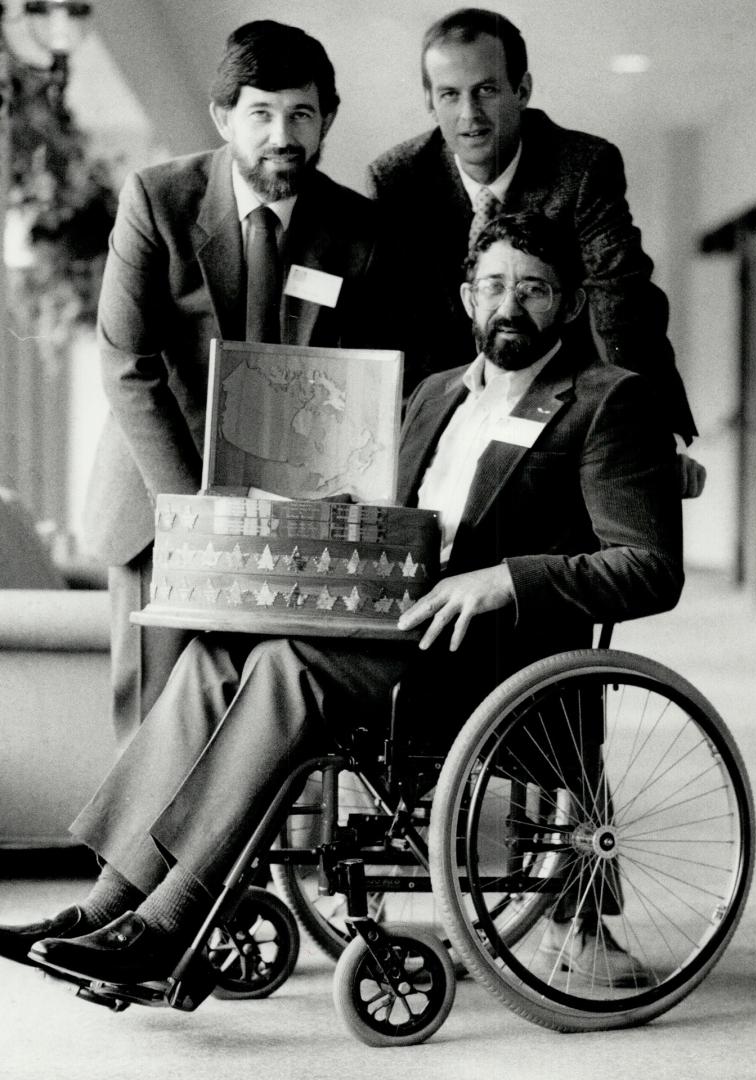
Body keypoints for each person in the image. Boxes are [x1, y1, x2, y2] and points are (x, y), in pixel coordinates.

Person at [0, 212, 683, 987]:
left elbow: (650, 566)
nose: (510, 305)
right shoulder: (434, 394)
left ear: (566, 304)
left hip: (491, 665)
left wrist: (506, 579)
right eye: (494, 285)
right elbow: (385, 515)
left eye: (533, 289)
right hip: (386, 631)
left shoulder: (608, 402)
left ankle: (171, 920)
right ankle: (108, 902)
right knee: (216, 654)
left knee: (288, 666)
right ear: (467, 297)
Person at [85, 20, 385, 749]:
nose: (282, 135)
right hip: (162, 508)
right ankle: (140, 866)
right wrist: (197, 514)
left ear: (326, 122)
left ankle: (241, 867)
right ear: (224, 118)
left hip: (290, 520)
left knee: (264, 729)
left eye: (302, 114)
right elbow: (128, 362)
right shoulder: (159, 200)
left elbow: (362, 379)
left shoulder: (356, 229)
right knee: (156, 729)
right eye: (261, 113)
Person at [368, 6, 705, 498]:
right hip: (447, 404)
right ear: (429, 101)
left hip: (561, 401)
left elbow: (623, 300)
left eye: (486, 90)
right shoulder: (397, 181)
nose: (470, 116)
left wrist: (651, 435)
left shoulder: (584, 165)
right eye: (449, 95)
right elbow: (392, 325)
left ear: (522, 90)